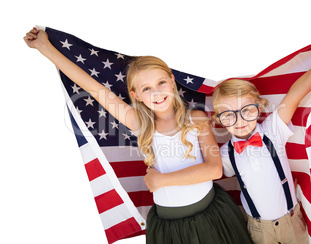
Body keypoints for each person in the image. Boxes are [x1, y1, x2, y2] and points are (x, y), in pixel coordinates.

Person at [24, 27, 252, 244]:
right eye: (146, 88)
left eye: (161, 82)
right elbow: (93, 87)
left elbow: (214, 169)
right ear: (136, 95)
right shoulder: (140, 124)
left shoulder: (196, 119)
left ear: (172, 82)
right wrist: (45, 48)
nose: (157, 92)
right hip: (168, 226)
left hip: (210, 216)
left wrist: (162, 180)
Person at [212, 28, 311, 244]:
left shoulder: (272, 130)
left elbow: (298, 91)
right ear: (219, 120)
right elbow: (202, 172)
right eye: (229, 115)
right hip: (258, 229)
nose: (239, 120)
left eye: (247, 110)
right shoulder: (225, 155)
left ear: (260, 107)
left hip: (292, 222)